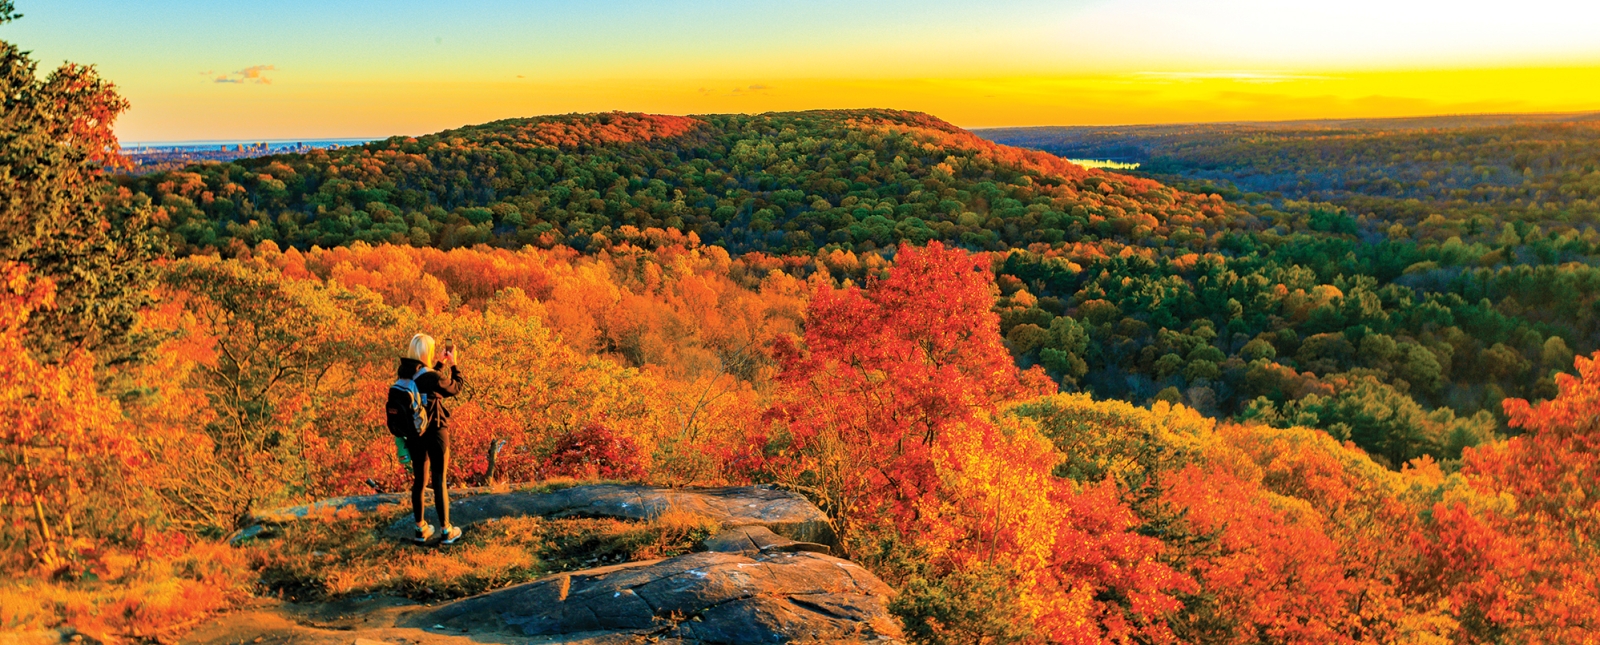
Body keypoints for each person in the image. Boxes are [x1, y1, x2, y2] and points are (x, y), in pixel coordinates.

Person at [398, 333, 465, 544]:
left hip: (415, 435)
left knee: (419, 482)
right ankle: (446, 530)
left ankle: (420, 529)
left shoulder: (404, 374)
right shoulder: (432, 378)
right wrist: (453, 365)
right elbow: (455, 387)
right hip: (435, 432)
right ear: (427, 352)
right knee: (438, 480)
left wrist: (439, 364)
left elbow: (425, 381)